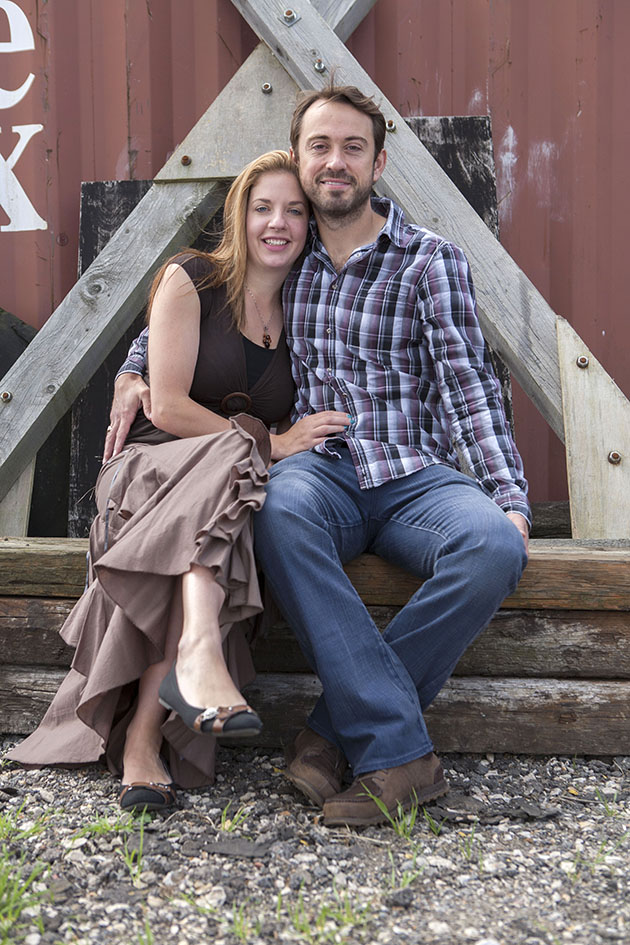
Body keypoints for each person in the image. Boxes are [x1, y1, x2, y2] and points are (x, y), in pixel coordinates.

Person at [102, 84, 531, 828]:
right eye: (320, 148)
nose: (335, 162)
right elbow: (207, 297)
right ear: (300, 163)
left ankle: (336, 734)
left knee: (493, 545)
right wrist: (132, 370)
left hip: (412, 471)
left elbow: (469, 386)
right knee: (279, 515)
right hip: (318, 468)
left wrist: (512, 496)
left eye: (353, 148)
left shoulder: (429, 261)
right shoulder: (286, 253)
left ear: (378, 162)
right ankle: (398, 753)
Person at [6, 150, 349, 810]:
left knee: (231, 480)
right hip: (147, 468)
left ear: (311, 223)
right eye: (263, 207)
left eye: (294, 211)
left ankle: (145, 734)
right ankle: (191, 662)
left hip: (216, 489)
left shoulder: (304, 305)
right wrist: (271, 443)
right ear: (238, 215)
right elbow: (163, 405)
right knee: (238, 460)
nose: (278, 222)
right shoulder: (190, 278)